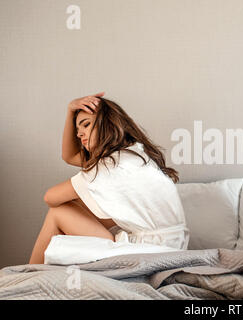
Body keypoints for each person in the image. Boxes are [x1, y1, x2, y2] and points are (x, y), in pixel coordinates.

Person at [29, 92, 189, 264]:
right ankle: (39, 273)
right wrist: (70, 110)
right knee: (89, 207)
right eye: (78, 129)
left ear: (107, 123)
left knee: (59, 211)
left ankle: (30, 274)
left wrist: (78, 204)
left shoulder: (112, 165)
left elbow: (50, 198)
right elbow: (70, 156)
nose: (79, 134)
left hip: (154, 250)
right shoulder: (132, 154)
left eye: (86, 125)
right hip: (171, 246)